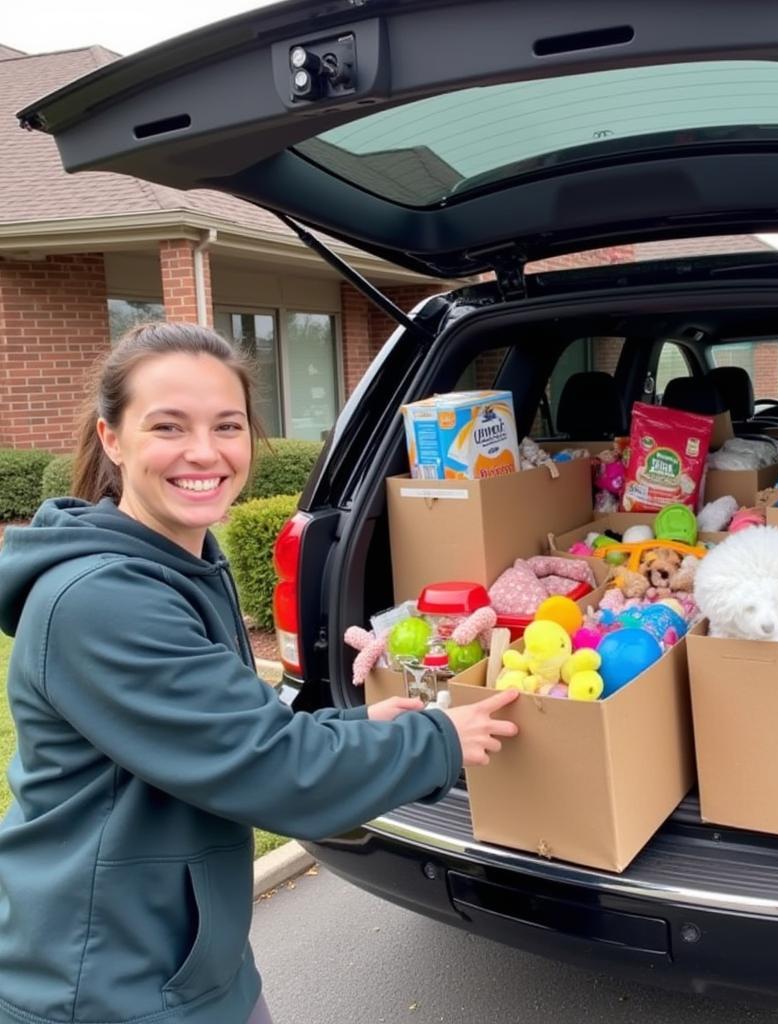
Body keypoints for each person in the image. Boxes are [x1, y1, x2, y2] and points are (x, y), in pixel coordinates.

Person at [0, 322, 519, 1024]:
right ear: (112, 440)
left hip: (178, 959)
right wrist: (438, 740)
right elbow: (265, 767)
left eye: (227, 425)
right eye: (168, 426)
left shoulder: (181, 559)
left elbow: (229, 725)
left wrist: (357, 722)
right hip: (105, 981)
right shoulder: (101, 602)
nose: (204, 452)